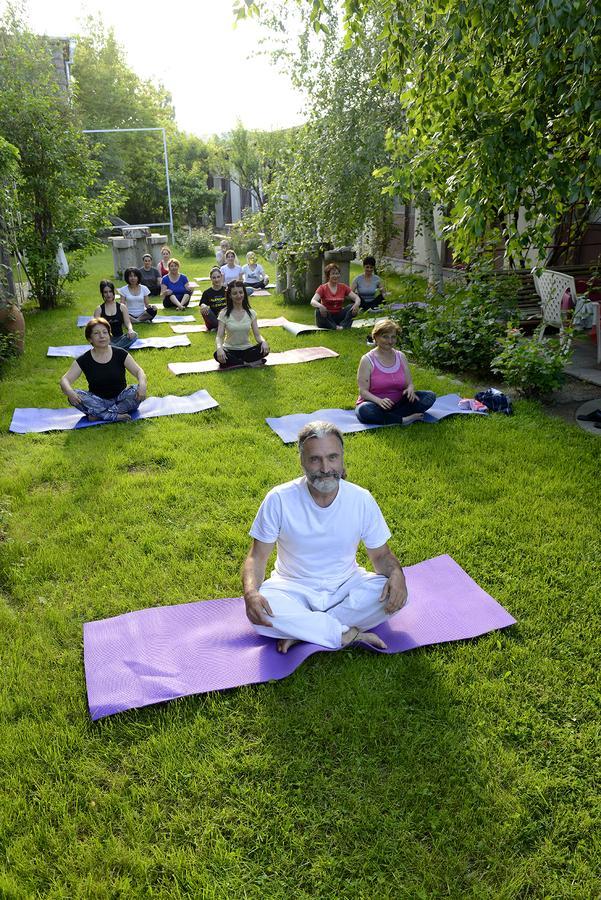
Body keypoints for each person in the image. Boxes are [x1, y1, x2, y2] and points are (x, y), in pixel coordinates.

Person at [243, 421, 408, 653]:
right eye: (315, 459)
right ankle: (347, 634)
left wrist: (397, 574)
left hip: (346, 585)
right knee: (259, 610)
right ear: (302, 461)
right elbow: (256, 558)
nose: (325, 467)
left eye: (332, 457)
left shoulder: (361, 499)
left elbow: (381, 555)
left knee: (398, 594)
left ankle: (305, 631)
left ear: (341, 459)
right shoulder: (279, 499)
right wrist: (251, 593)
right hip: (292, 587)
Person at [59, 317, 147, 423]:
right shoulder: (84, 359)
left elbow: (139, 371)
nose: (102, 336)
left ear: (109, 336)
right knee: (75, 395)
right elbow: (65, 380)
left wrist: (142, 385)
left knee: (135, 390)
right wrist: (69, 392)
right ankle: (114, 415)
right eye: (96, 333)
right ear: (90, 339)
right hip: (97, 401)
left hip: (120, 400)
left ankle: (100, 415)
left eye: (105, 332)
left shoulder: (120, 353)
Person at [356, 318, 436, 426]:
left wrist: (410, 389)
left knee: (429, 397)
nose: (390, 341)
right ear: (375, 337)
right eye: (385, 337)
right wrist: (379, 401)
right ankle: (402, 420)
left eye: (393, 337)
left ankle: (389, 417)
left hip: (400, 404)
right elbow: (363, 392)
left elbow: (409, 383)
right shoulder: (367, 360)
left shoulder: (401, 356)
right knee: (365, 410)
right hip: (375, 404)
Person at [214, 280, 269, 368]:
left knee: (265, 348)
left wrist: (264, 342)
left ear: (244, 293)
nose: (239, 296)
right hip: (230, 349)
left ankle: (238, 363)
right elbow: (219, 336)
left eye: (241, 292)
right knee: (217, 354)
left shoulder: (251, 313)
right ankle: (246, 364)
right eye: (235, 293)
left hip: (247, 350)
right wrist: (219, 348)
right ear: (230, 296)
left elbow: (257, 335)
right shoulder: (223, 313)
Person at [310, 263, 361, 330]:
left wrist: (357, 304)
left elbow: (356, 298)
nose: (335, 276)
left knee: (352, 306)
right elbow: (313, 301)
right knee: (318, 311)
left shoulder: (343, 287)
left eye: (337, 273)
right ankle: (335, 327)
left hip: (339, 315)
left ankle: (343, 326)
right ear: (328, 276)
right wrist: (321, 306)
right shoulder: (322, 288)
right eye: (333, 274)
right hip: (327, 316)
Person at [93, 280, 138, 351]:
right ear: (102, 293)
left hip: (120, 338)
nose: (108, 294)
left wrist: (130, 330)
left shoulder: (122, 307)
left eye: (110, 291)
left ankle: (114, 349)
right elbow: (95, 328)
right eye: (105, 292)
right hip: (106, 339)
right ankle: (119, 349)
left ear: (113, 292)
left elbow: (127, 322)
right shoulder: (99, 309)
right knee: (96, 340)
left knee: (134, 335)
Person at [199, 266, 227, 331]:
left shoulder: (226, 290)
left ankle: (219, 328)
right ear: (211, 278)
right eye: (214, 278)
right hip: (213, 318)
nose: (216, 280)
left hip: (225, 317)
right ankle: (220, 327)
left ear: (221, 277)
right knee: (204, 310)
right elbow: (202, 303)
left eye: (218, 277)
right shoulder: (207, 292)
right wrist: (204, 306)